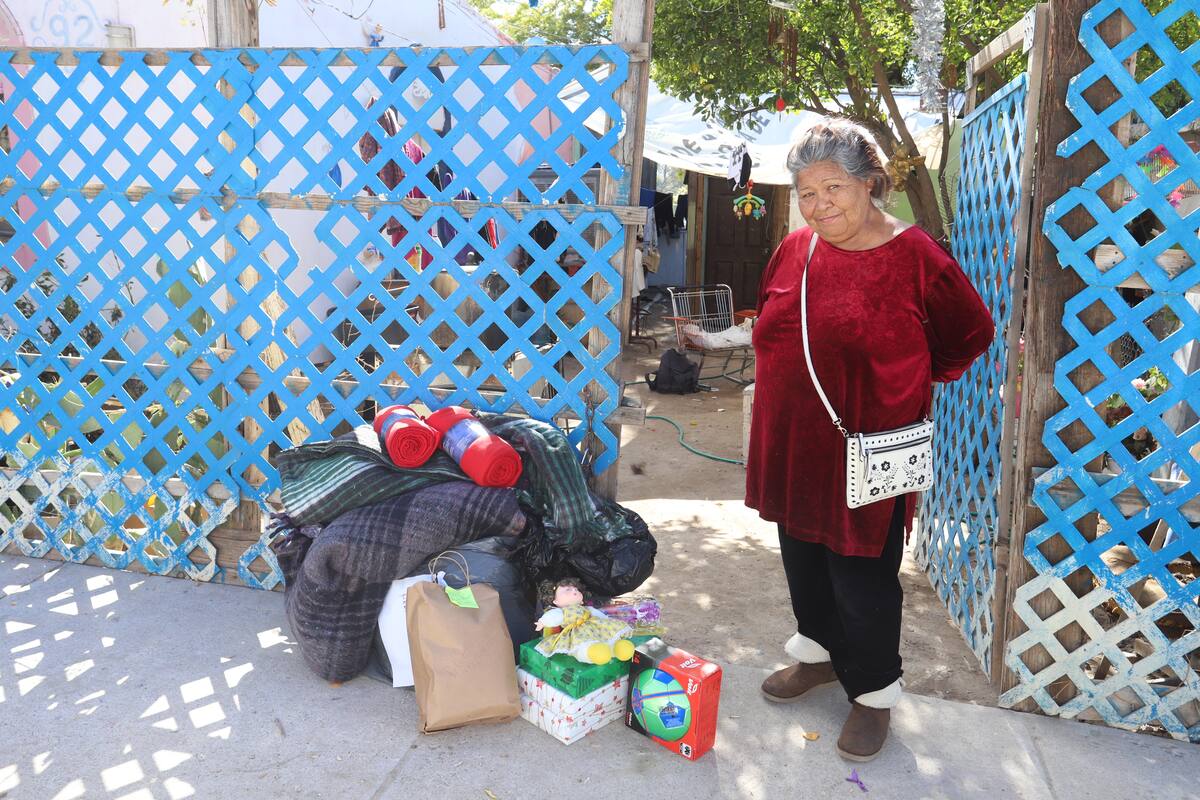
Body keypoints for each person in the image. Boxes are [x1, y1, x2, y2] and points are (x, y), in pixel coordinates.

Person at [745, 119, 994, 762]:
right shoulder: (794, 249)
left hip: (874, 446)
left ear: (870, 184)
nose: (820, 203)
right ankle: (819, 655)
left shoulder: (916, 257)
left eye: (834, 186)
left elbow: (969, 333)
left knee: (863, 573)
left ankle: (874, 691)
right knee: (801, 554)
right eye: (806, 191)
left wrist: (901, 384)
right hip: (795, 440)